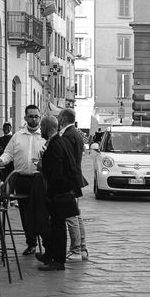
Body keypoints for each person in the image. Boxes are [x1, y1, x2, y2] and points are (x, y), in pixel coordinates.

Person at [0, 105, 46, 255]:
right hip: (21, 179)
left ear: (40, 117)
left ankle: (45, 243)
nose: (33, 119)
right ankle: (31, 243)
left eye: (36, 116)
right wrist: (0, 161)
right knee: (25, 212)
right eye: (30, 116)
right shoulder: (17, 136)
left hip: (39, 179)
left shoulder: (44, 135)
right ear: (25, 118)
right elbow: (8, 154)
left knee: (41, 212)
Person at [36, 116, 80, 271]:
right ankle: (50, 255)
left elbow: (57, 173)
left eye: (42, 126)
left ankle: (58, 260)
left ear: (48, 127)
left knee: (58, 226)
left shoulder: (55, 145)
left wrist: (51, 194)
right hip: (62, 191)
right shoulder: (60, 141)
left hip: (59, 193)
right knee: (54, 226)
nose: (40, 129)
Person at [58, 108, 88, 261]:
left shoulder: (68, 135)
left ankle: (76, 250)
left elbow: (68, 159)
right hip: (75, 178)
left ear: (63, 118)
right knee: (76, 214)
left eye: (58, 117)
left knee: (71, 216)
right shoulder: (75, 133)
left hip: (70, 180)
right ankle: (82, 248)